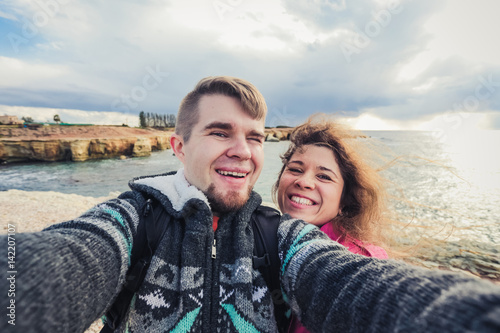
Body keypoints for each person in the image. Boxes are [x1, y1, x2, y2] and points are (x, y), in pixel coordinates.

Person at [1, 76, 500, 333]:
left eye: (255, 138)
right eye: (220, 132)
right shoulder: (135, 216)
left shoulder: (278, 234)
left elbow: (346, 281)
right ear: (178, 147)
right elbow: (75, 254)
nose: (242, 150)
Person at [272, 117, 389, 333]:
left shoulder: (358, 261)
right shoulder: (267, 241)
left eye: (324, 176)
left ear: (345, 201)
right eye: (296, 169)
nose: (304, 181)